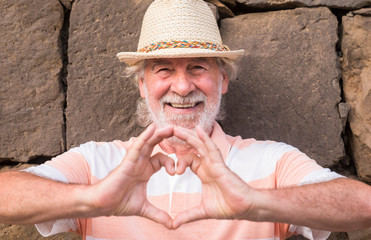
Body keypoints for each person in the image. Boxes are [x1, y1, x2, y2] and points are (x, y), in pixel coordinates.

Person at [0, 0, 370, 239]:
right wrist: (95, 199)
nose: (182, 86)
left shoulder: (269, 161)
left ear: (222, 80)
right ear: (142, 85)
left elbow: (363, 206)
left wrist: (255, 202)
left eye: (198, 67)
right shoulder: (99, 162)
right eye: (163, 69)